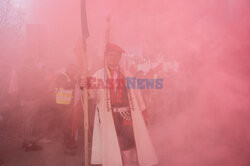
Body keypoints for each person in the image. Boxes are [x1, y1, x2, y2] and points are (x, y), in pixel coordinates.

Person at [84, 43, 158, 166]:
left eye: (116, 56)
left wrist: (144, 114)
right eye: (110, 55)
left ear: (120, 58)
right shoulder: (98, 75)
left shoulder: (128, 75)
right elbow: (92, 95)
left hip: (126, 117)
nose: (113, 58)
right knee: (112, 146)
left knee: (127, 145)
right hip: (109, 117)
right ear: (106, 57)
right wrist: (85, 87)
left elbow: (138, 96)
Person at [54, 64, 80, 154]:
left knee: (68, 125)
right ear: (69, 69)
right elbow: (65, 86)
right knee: (65, 125)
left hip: (67, 104)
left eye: (75, 70)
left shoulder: (70, 76)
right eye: (73, 70)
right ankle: (66, 145)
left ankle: (68, 142)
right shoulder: (62, 76)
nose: (74, 72)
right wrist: (75, 80)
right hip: (62, 105)